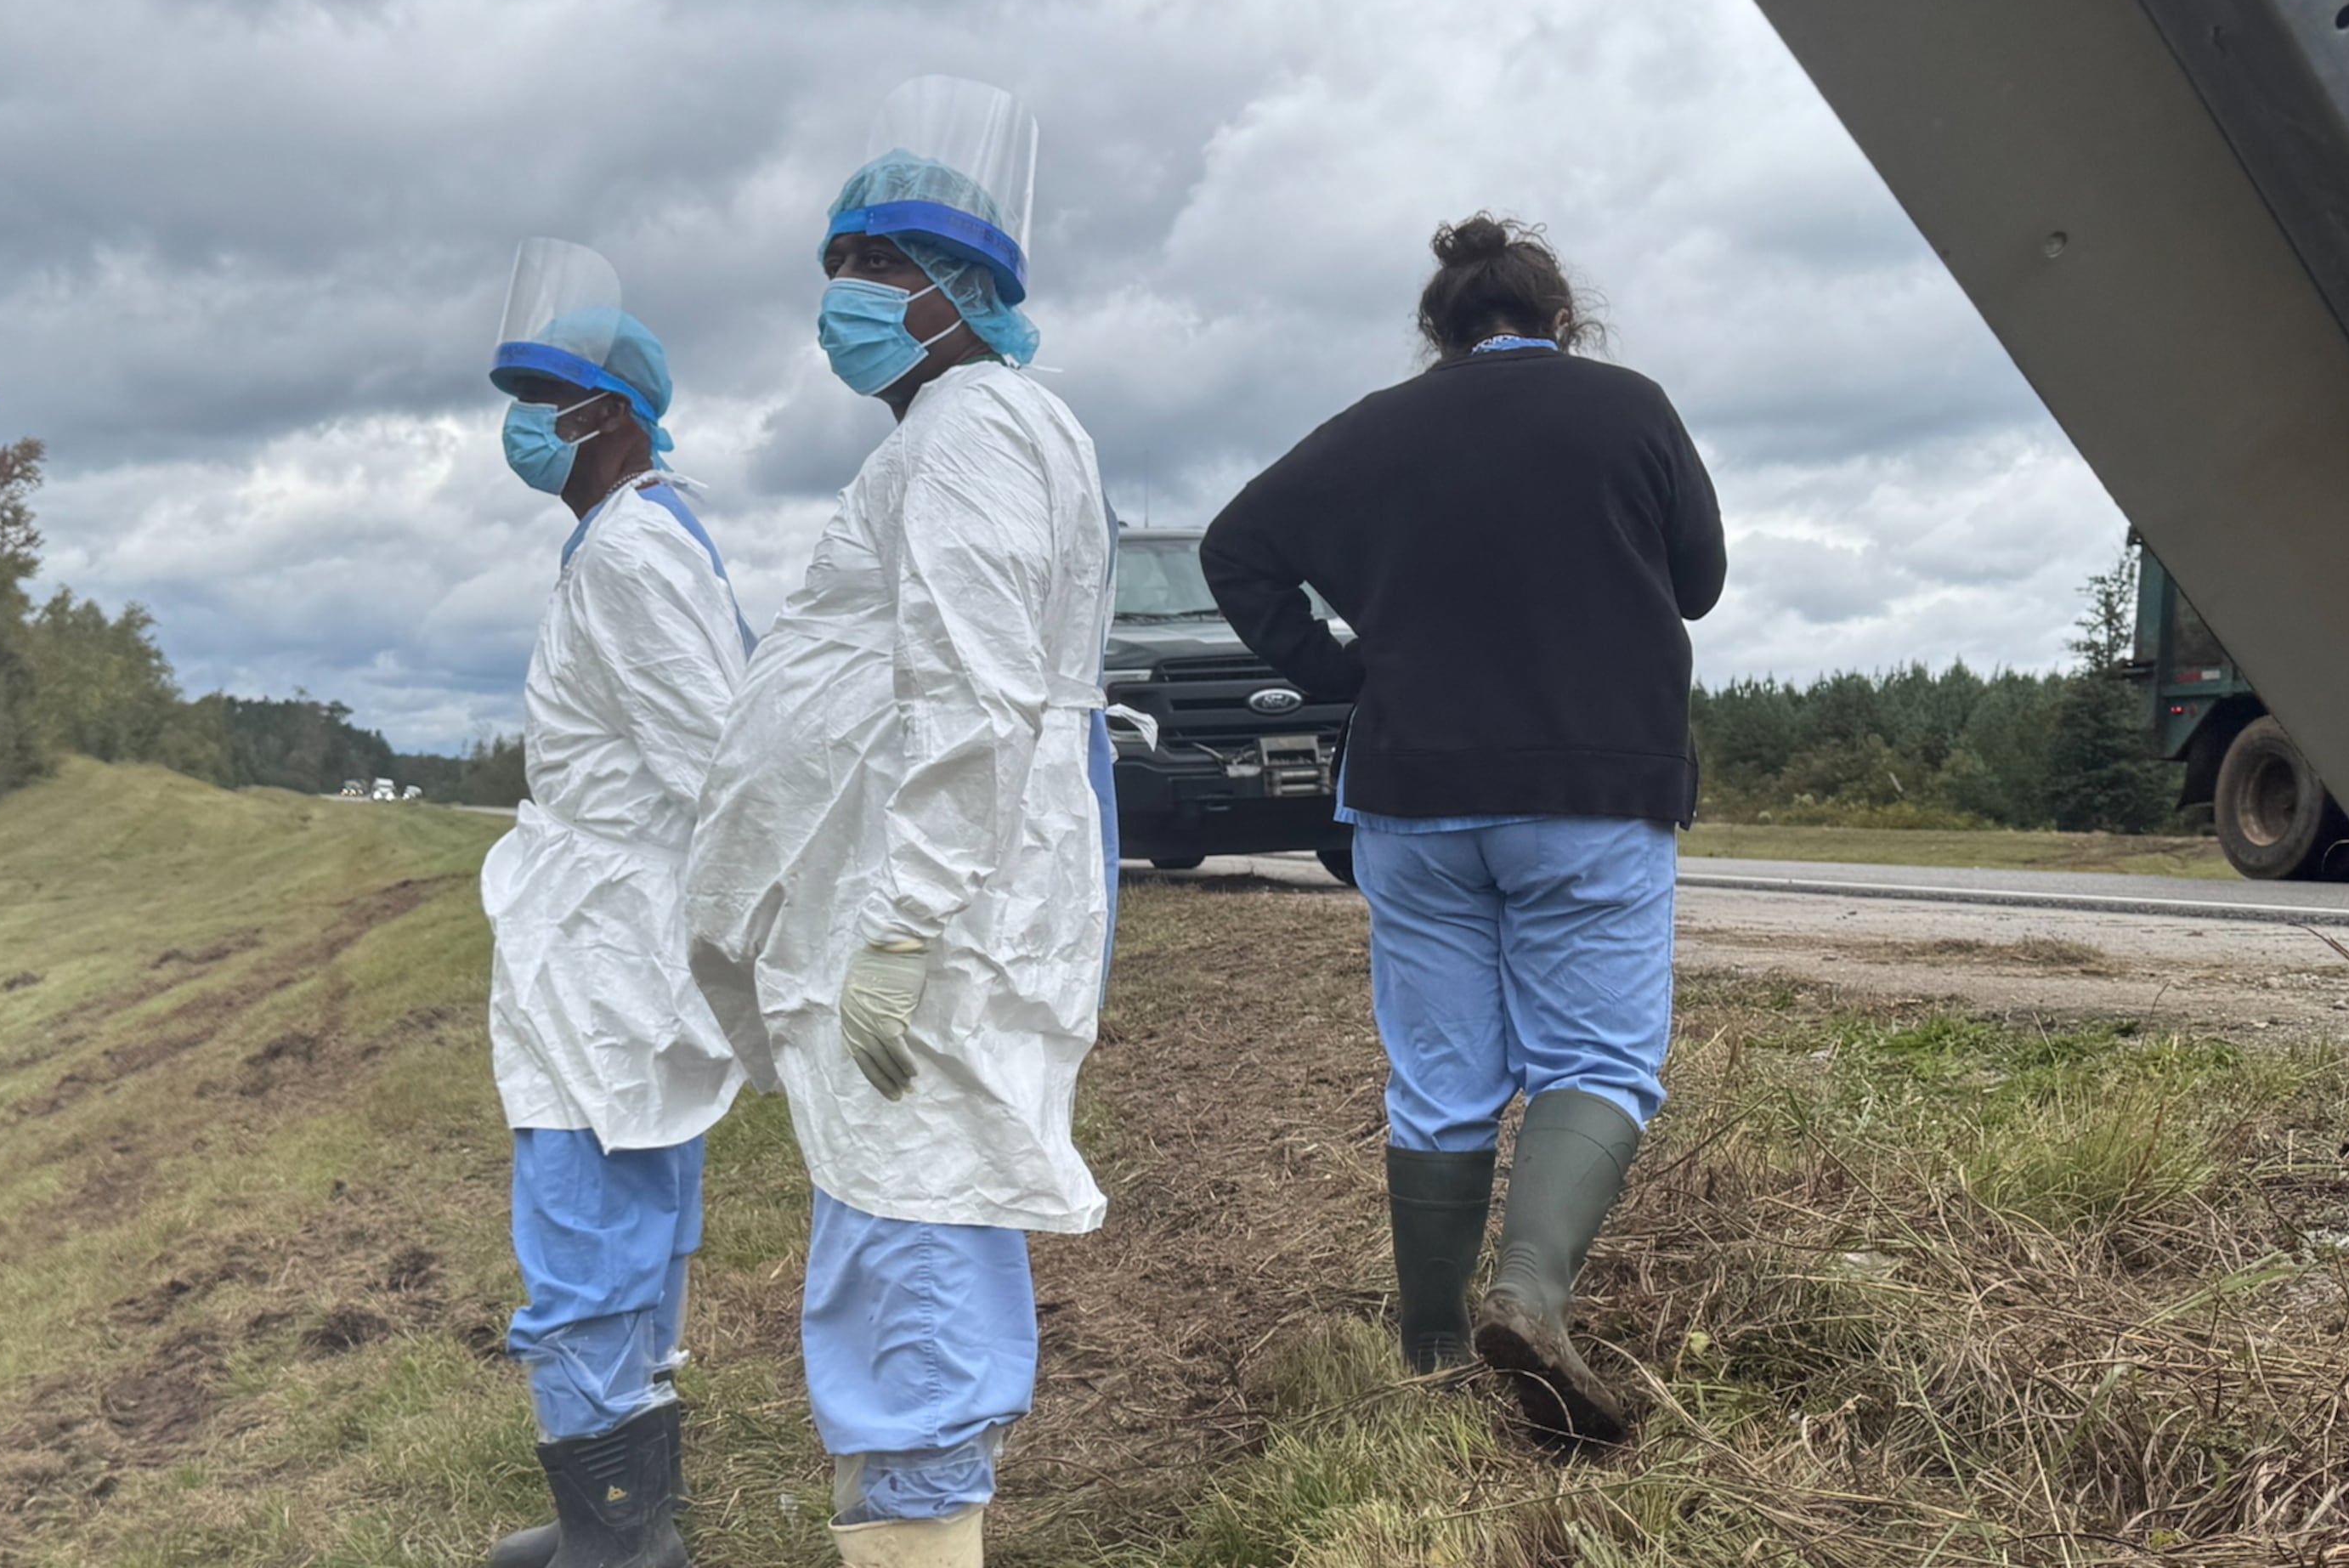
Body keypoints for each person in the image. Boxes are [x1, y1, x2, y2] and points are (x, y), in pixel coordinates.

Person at [1201, 214, 1725, 1449]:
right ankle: (1531, 1301)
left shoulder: (1371, 431)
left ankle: (1433, 1353)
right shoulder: (1630, 408)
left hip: (1410, 795)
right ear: (1561, 320)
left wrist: (1330, 668)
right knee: (1596, 1061)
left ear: (1438, 333)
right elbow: (1696, 582)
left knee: (1441, 1085)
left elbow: (1236, 548)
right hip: (1591, 786)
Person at [682, 77, 1115, 1568]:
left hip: (930, 918)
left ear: (962, 293)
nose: (847, 303)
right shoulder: (949, 432)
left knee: (911, 1233)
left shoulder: (978, 428)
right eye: (841, 271)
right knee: (902, 1223)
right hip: (914, 902)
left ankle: (922, 1541)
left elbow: (976, 695)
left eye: (881, 270)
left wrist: (907, 927)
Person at [478, 238, 755, 1568]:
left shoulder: (633, 555)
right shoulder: (628, 542)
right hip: (606, 929)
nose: (526, 430)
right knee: (624, 1209)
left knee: (584, 1219)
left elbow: (713, 760)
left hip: (607, 941)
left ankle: (622, 1536)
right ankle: (618, 1509)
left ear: (613, 418)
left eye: (548, 405)